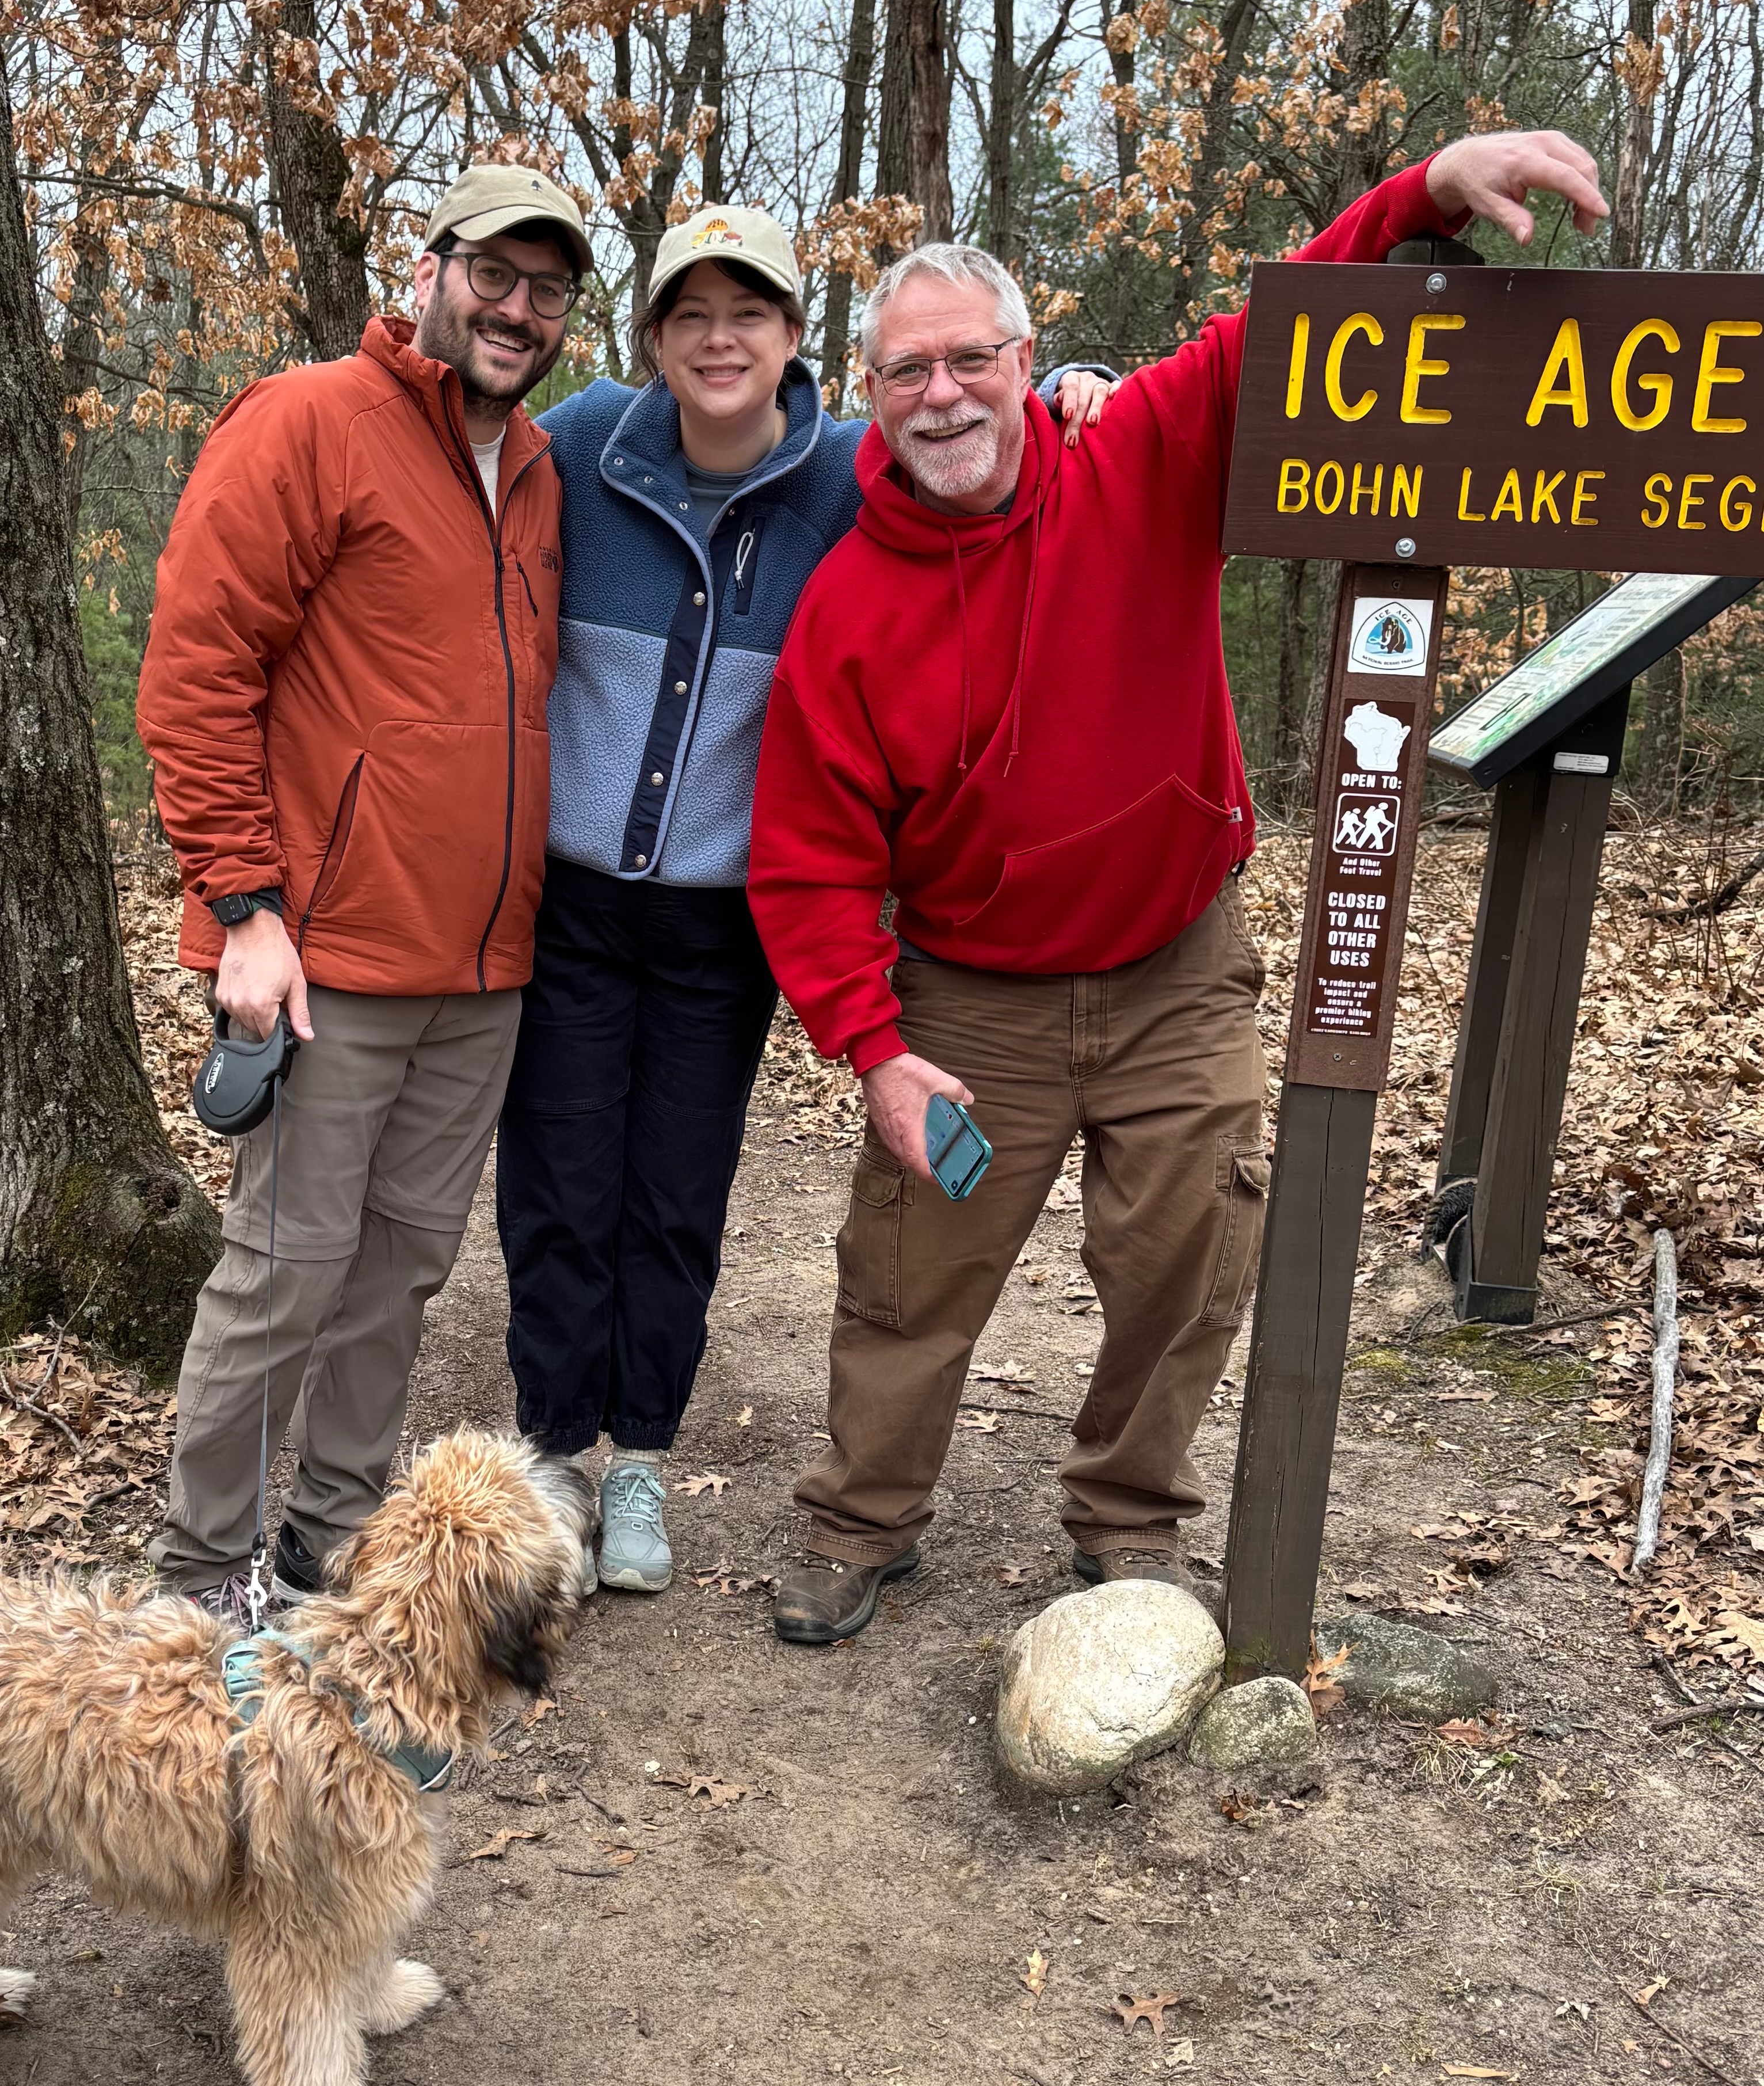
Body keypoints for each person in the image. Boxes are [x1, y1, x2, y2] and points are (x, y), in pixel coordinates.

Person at [746, 130, 1609, 1645]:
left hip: (1175, 965)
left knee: (1193, 1255)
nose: (943, 395)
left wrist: (1420, 191)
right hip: (969, 997)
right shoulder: (847, 608)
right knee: (907, 1272)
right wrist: (874, 1050)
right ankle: (861, 1521)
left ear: (1026, 362)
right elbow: (808, 861)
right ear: (867, 395)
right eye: (908, 371)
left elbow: (1282, 326)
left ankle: (1129, 1519)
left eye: (971, 359)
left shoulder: (1138, 453)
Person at [496, 204, 1118, 1594]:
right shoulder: (581, 445)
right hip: (571, 907)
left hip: (723, 926)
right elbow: (457, 464)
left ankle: (640, 1457)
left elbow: (983, 442)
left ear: (793, 338)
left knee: (675, 1191)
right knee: (558, 1183)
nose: (721, 340)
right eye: (692, 315)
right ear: (654, 336)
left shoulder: (846, 473)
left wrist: (1080, 389)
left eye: (750, 315)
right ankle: (553, 1453)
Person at [136, 164, 589, 1617]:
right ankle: (199, 1580)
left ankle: (328, 1543)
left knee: (400, 1276)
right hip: (324, 961)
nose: (517, 309)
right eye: (493, 274)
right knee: (284, 1275)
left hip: (483, 971)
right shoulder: (311, 421)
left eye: (547, 288)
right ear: (431, 270)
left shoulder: (539, 475)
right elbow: (196, 671)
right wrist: (247, 910)